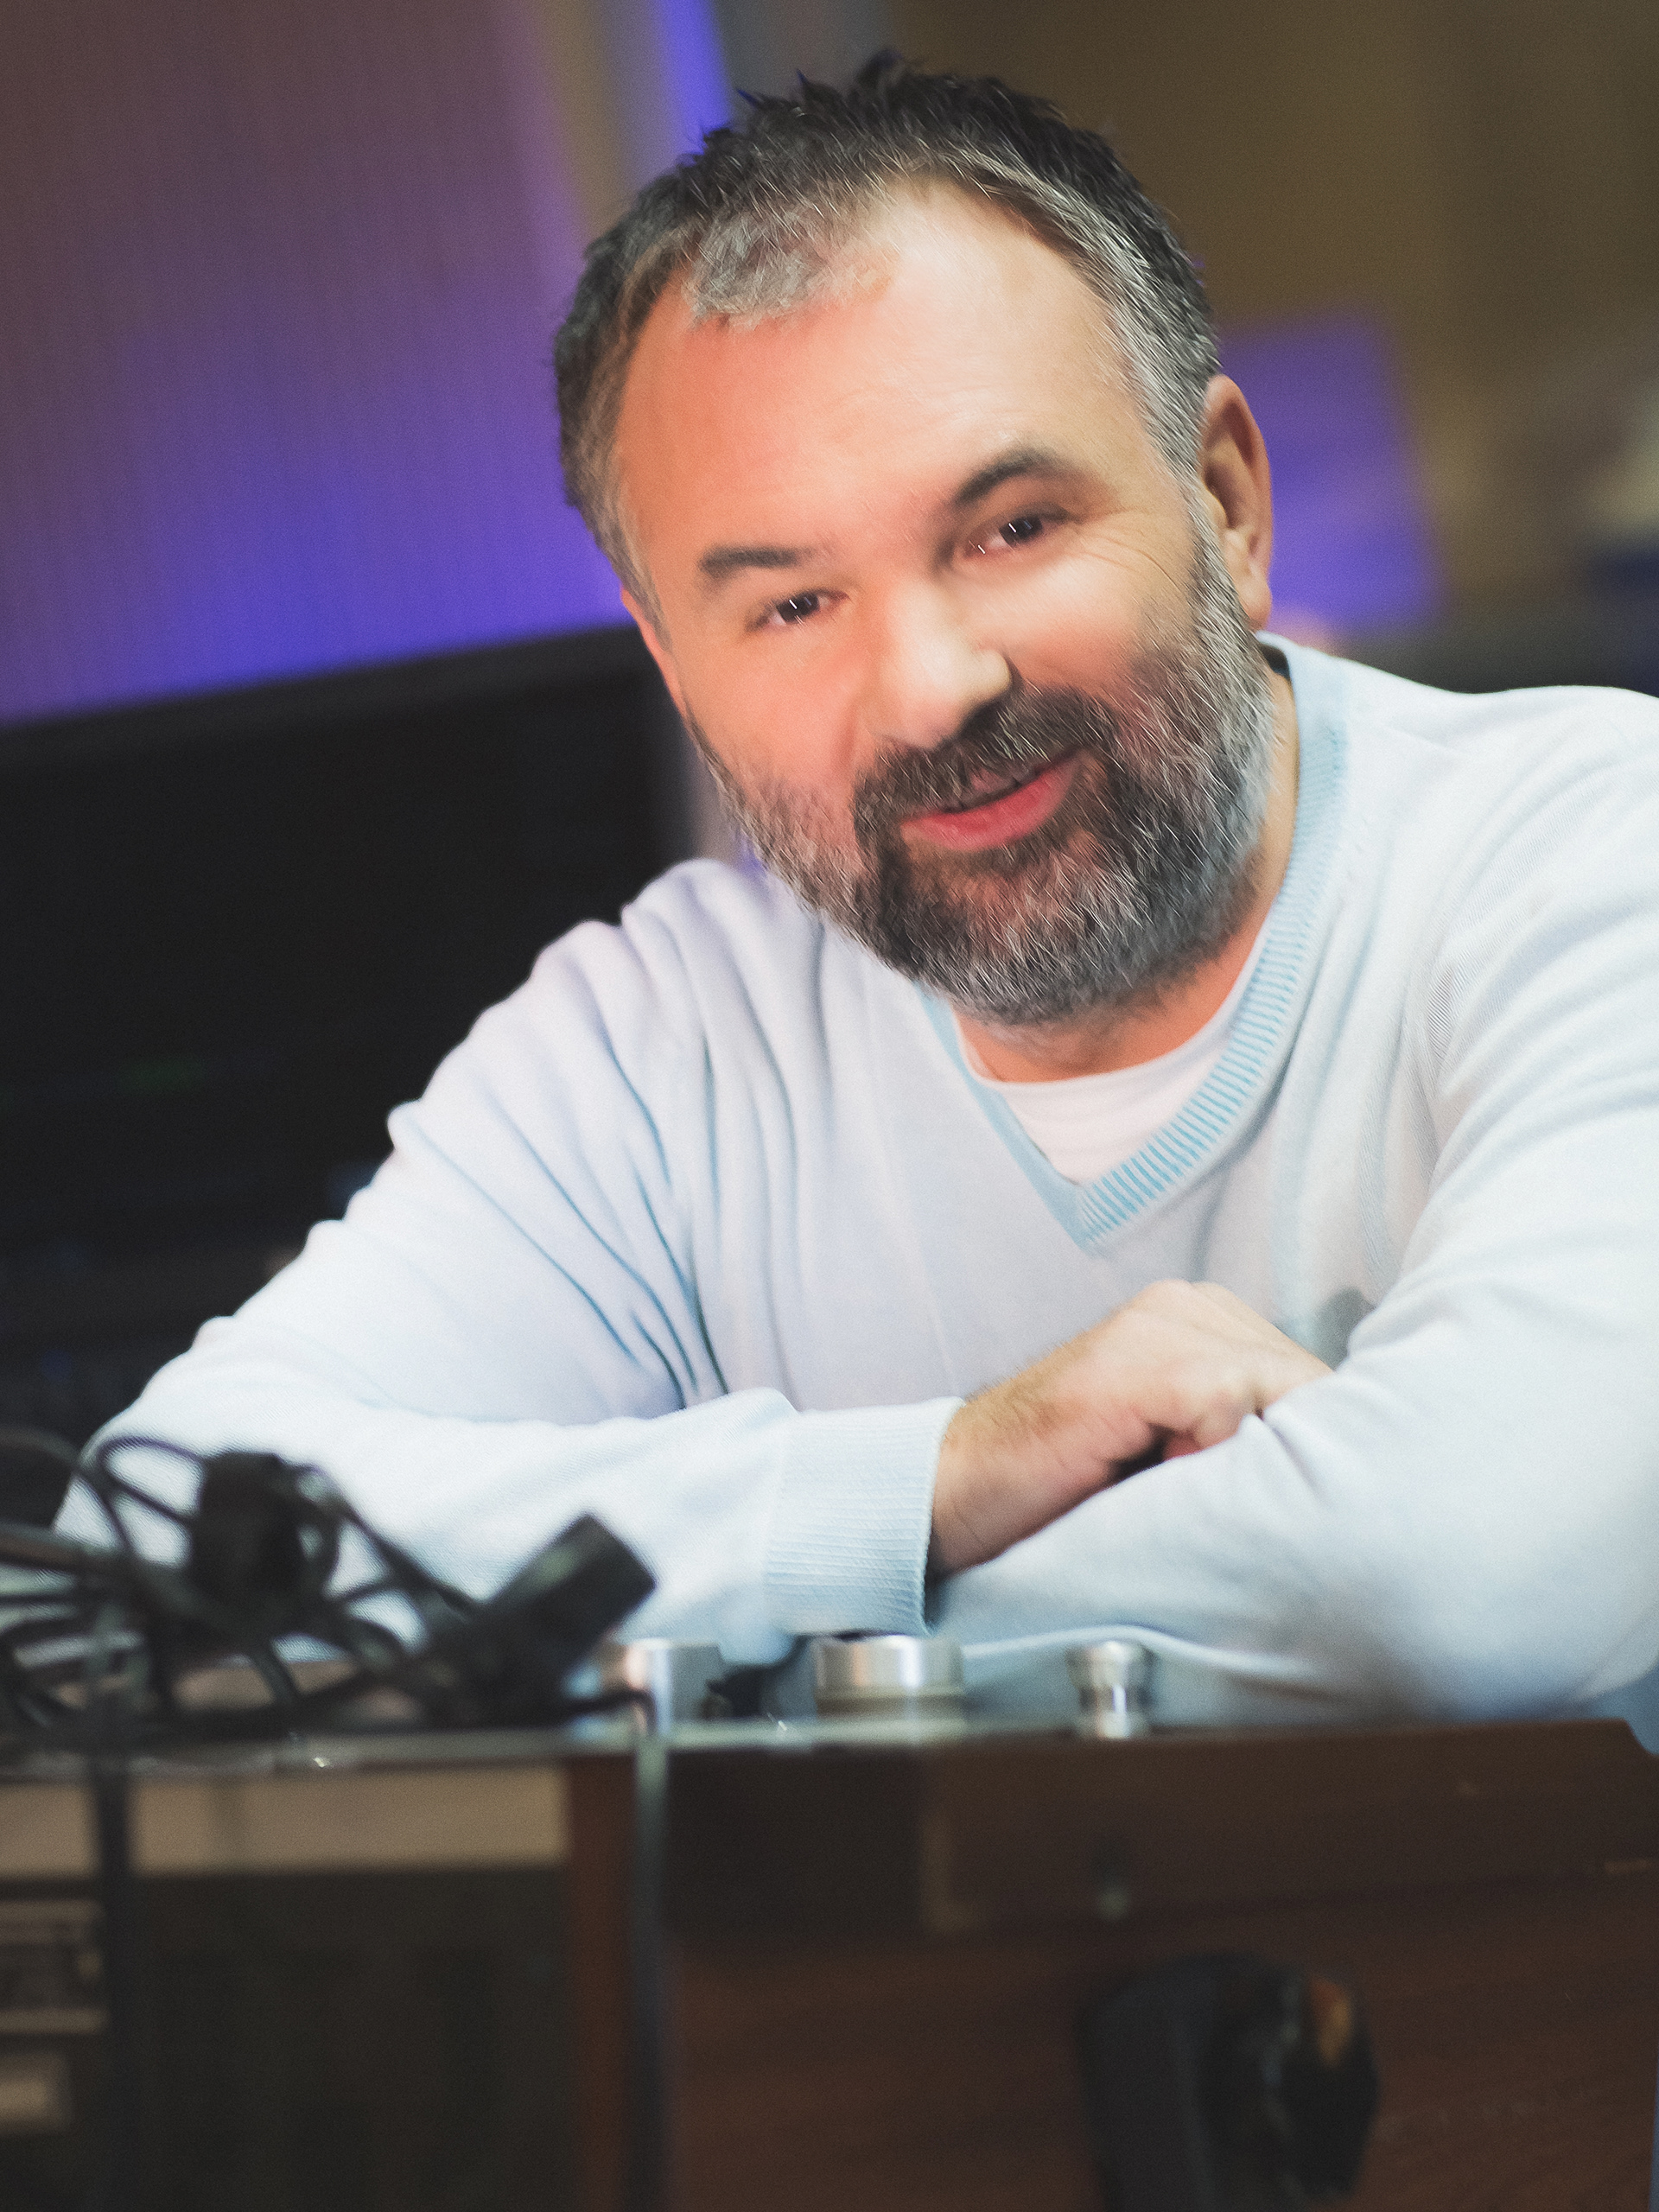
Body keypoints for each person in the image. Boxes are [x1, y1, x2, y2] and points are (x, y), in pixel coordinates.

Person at [89, 57, 1659, 1732]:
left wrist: (705, 1647)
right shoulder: (662, 1041)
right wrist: (938, 1475)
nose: (926, 690)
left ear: (1225, 501)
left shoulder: (1591, 854)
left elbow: (1455, 1577)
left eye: (1012, 528)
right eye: (792, 606)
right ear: (676, 669)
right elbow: (150, 1566)